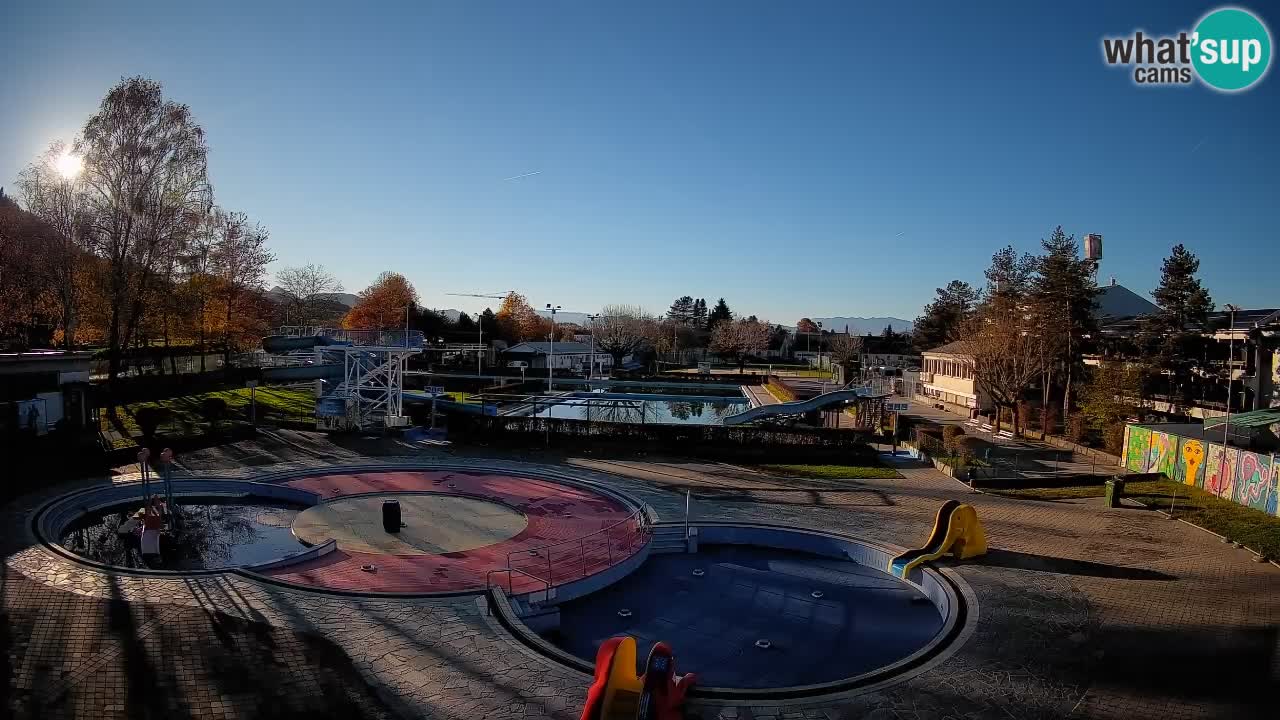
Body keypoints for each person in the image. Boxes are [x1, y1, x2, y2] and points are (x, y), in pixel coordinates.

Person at [140, 497, 163, 567]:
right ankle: (152, 502)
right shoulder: (151, 552)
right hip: (150, 532)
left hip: (150, 531)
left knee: (153, 516)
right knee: (153, 516)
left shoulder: (154, 552)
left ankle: (152, 502)